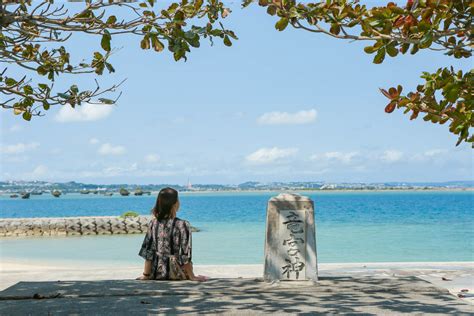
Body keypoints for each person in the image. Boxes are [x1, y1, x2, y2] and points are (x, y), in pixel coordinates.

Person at [136, 187, 207, 281]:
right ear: (174, 204)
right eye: (178, 199)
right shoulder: (182, 224)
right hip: (175, 272)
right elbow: (185, 254)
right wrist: (192, 276)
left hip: (157, 272)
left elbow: (148, 251)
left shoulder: (153, 223)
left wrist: (146, 275)